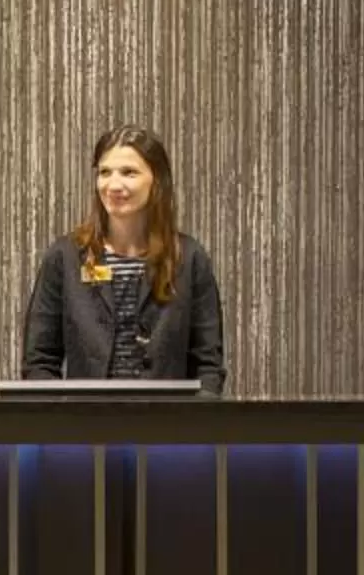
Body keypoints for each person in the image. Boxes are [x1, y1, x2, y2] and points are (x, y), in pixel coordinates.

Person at [20, 124, 226, 395]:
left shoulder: (189, 258)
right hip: (85, 429)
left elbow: (208, 367)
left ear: (157, 181)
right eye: (105, 172)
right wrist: (63, 426)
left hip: (166, 429)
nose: (114, 184)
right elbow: (39, 361)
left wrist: (188, 430)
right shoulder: (65, 257)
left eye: (129, 172)